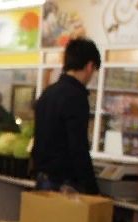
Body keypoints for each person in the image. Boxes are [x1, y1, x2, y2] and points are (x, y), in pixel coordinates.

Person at [31, 38, 100, 194]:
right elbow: (78, 147)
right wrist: (92, 189)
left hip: (42, 179)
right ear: (89, 66)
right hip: (64, 185)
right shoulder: (77, 97)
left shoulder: (48, 93)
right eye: (94, 70)